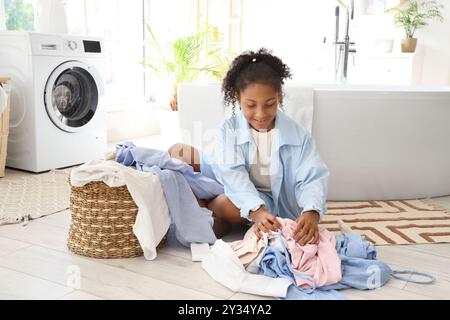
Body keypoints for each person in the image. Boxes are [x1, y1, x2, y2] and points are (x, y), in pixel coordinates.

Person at [168, 48, 330, 245]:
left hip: (263, 199)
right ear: (238, 99)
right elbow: (230, 172)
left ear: (278, 96)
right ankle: (210, 213)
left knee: (228, 206)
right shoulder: (230, 128)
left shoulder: (298, 136)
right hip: (227, 179)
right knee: (177, 152)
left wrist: (311, 211)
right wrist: (256, 212)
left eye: (269, 104)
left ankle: (211, 211)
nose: (260, 114)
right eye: (251, 105)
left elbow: (312, 177)